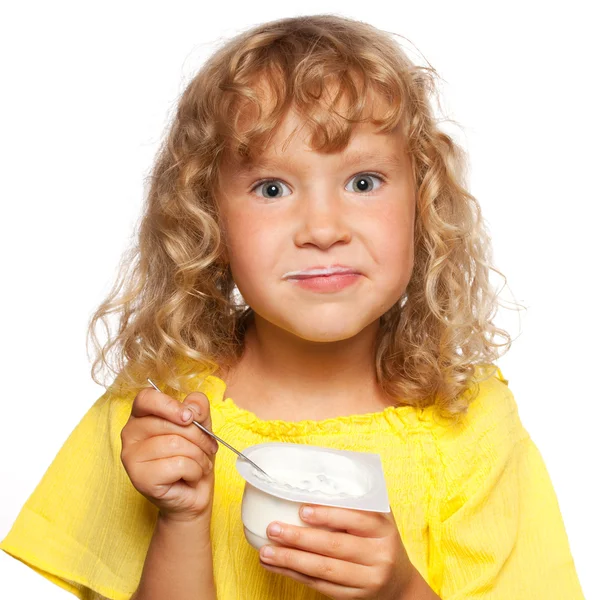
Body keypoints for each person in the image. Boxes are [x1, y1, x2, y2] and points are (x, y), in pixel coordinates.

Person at [0, 13, 585, 600]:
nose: (323, 229)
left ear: (423, 200)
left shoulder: (469, 420)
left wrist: (400, 590)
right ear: (209, 220)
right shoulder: (161, 410)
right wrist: (181, 520)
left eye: (363, 182)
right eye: (272, 188)